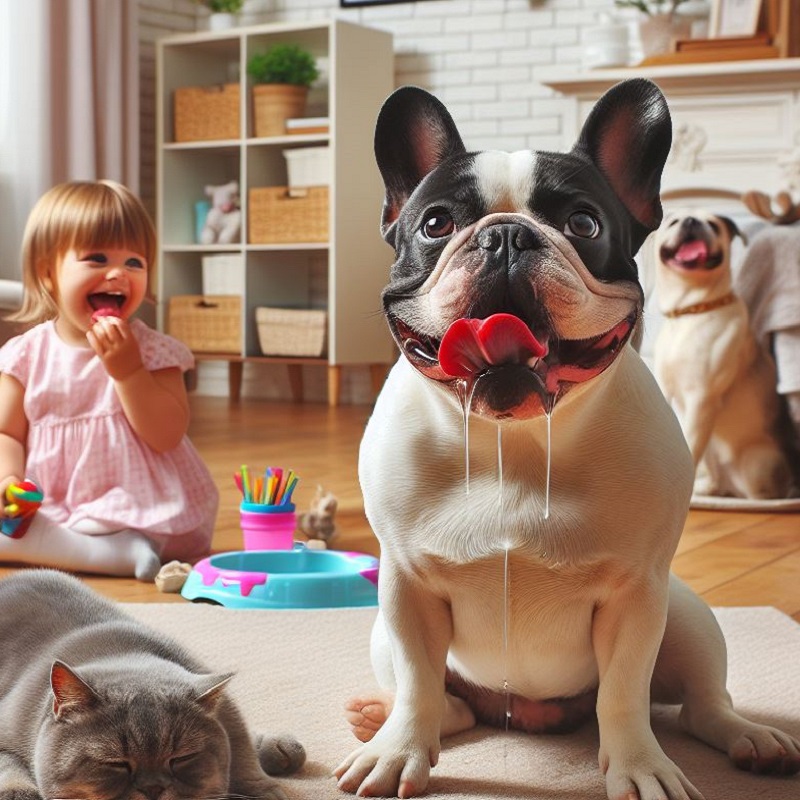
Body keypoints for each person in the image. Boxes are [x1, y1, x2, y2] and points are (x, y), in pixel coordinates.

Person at [0, 180, 218, 580]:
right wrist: (7, 478)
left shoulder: (154, 353)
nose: (119, 273)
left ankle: (109, 549)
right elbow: (6, 433)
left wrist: (129, 372)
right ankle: (94, 551)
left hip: (136, 502)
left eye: (135, 262)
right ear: (48, 273)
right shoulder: (26, 354)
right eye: (97, 258)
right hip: (50, 499)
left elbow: (167, 434)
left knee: (110, 523)